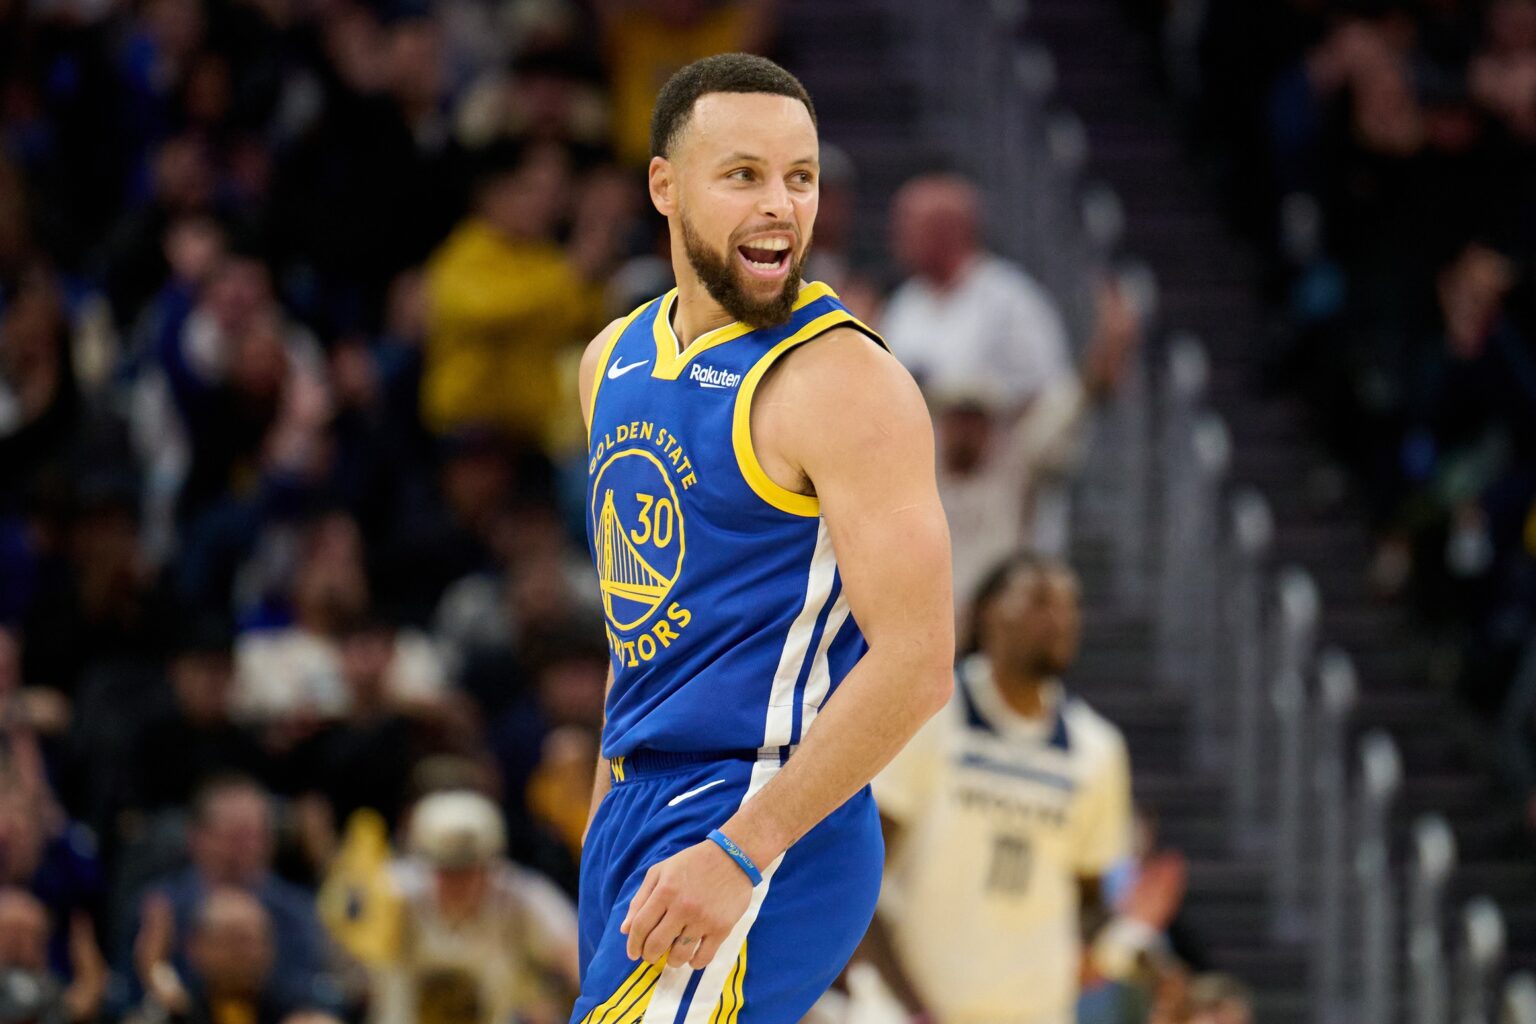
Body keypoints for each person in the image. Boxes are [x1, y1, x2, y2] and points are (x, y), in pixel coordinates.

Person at [571, 53, 953, 1024]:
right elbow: (641, 622)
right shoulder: (610, 361)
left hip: (767, 807)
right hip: (635, 807)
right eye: (743, 175)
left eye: (802, 177)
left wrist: (745, 846)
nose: (780, 205)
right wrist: (599, 817)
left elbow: (916, 664)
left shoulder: (843, 382)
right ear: (665, 185)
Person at [858, 552, 1184, 1024]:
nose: (1060, 618)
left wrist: (1140, 947)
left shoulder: (1099, 749)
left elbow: (1088, 908)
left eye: (1071, 606)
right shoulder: (928, 717)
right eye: (1039, 601)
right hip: (914, 1011)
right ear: (988, 611)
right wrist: (913, 1008)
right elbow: (863, 879)